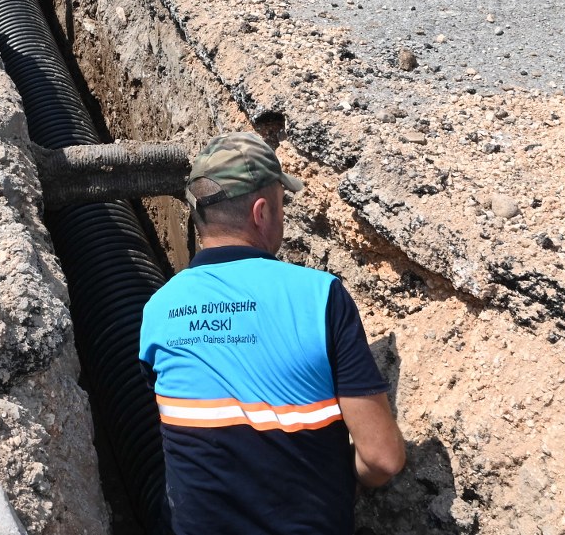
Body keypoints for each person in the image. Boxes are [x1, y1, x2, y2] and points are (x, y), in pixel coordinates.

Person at [138, 132, 407, 535]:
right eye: (282, 205)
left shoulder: (158, 308)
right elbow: (382, 458)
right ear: (262, 212)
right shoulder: (320, 296)